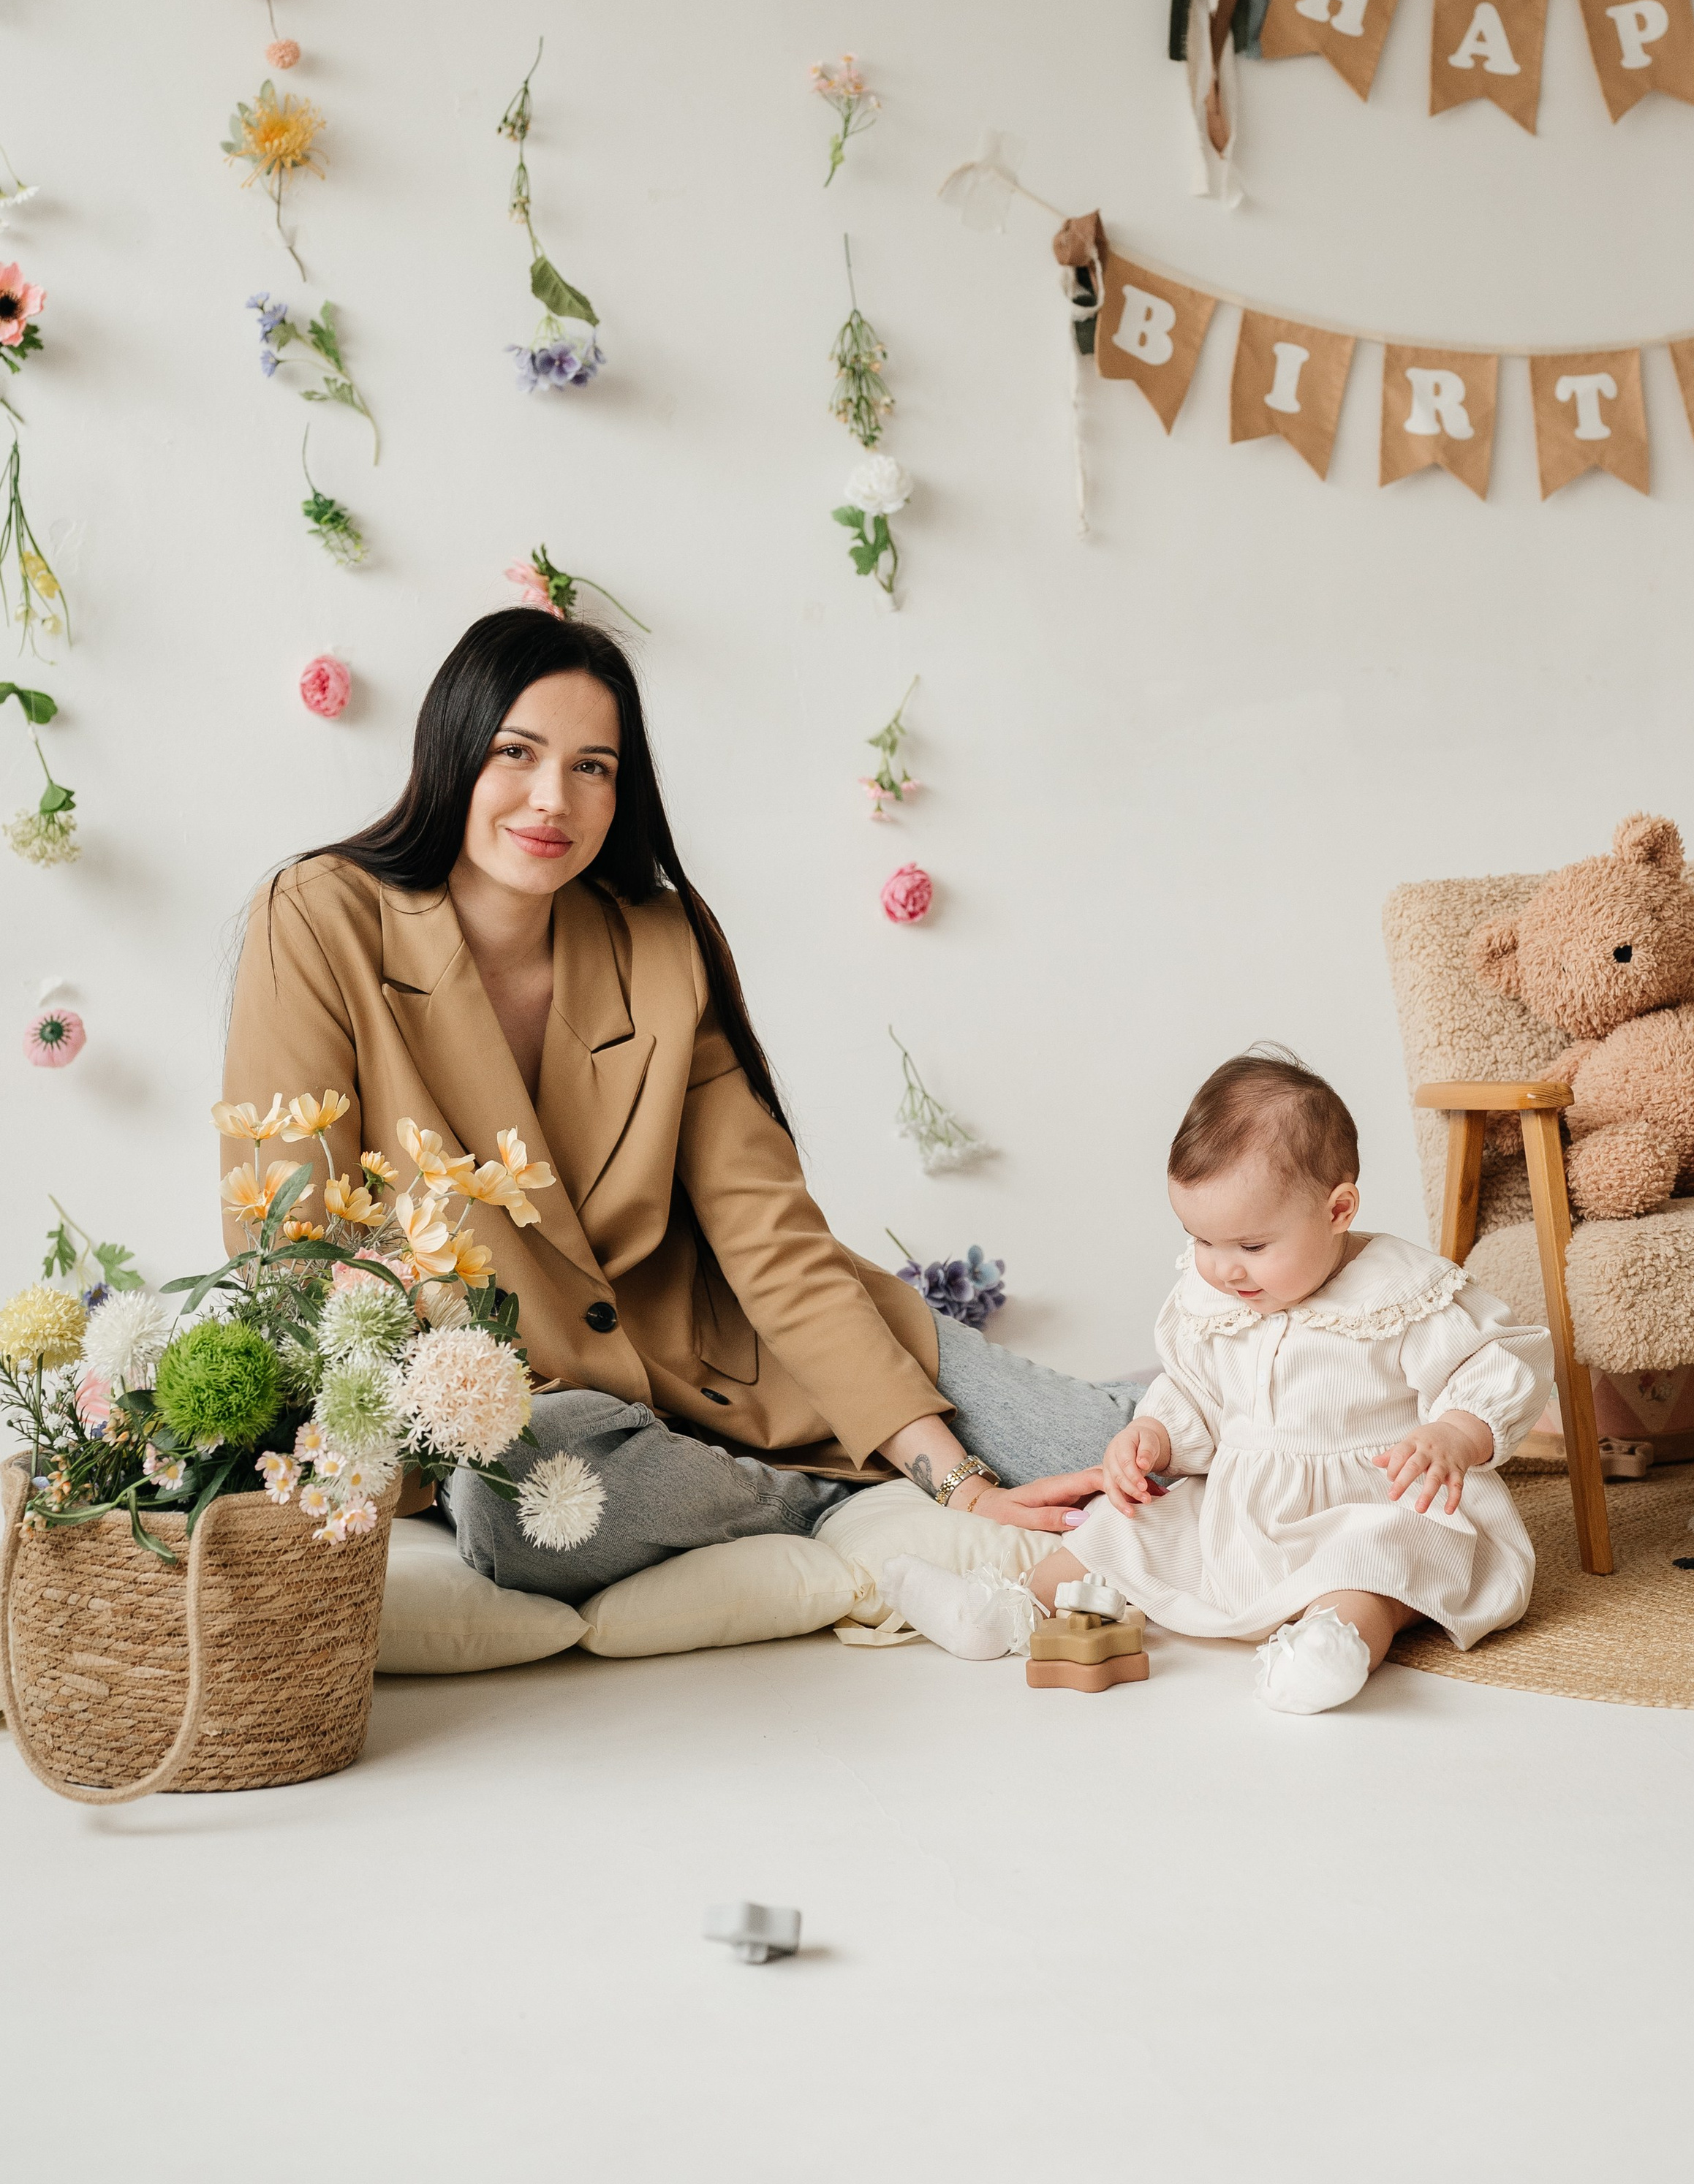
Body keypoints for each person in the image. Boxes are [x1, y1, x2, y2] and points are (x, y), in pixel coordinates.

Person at [222, 609, 1138, 1597]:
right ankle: (801, 1502)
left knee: (1128, 1448)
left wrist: (950, 1476)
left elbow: (766, 1230)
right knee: (521, 1506)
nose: (550, 799)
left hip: (761, 1362)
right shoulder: (320, 918)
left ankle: (1281, 1362)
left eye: (592, 766)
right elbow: (287, 1240)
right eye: (516, 752)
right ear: (453, 750)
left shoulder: (662, 940)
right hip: (526, 1414)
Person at [883, 1050, 1551, 1714]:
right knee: (1122, 1529)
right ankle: (1001, 1608)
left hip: (1374, 1498)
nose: (1223, 1270)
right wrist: (1152, 1436)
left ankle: (1333, 1646)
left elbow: (1492, 1368)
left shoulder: (1402, 1293)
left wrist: (1452, 1434)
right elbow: (1195, 1395)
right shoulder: (1217, 1305)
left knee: (1376, 1564)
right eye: (1201, 1241)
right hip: (1242, 1513)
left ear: (1338, 1208)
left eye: (1251, 1247)